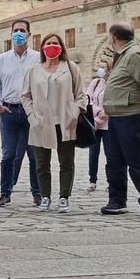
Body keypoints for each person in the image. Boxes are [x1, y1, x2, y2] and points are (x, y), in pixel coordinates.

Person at [20, 33, 87, 213]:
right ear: (42, 48)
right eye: (48, 43)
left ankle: (64, 196)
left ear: (61, 47)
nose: (52, 46)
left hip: (65, 121)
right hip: (41, 122)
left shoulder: (71, 68)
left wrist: (75, 112)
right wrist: (31, 116)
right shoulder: (34, 70)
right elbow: (25, 96)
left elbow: (81, 95)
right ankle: (45, 196)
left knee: (66, 161)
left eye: (55, 43)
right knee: (41, 162)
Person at [100, 22, 140, 218]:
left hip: (132, 115)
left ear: (113, 38)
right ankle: (117, 201)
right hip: (115, 116)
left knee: (136, 160)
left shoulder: (134, 54)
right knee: (114, 162)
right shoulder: (122, 55)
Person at [0, 19, 41, 207]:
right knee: (8, 155)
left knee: (34, 155)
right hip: (9, 110)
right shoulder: (1, 60)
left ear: (29, 34)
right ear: (11, 34)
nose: (18, 34)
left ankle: (38, 193)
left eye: (22, 30)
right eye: (15, 30)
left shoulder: (38, 58)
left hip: (31, 111)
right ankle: (5, 193)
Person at [85, 59, 110, 192]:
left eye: (103, 67)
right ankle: (92, 180)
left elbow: (116, 100)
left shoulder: (113, 83)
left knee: (110, 154)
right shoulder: (95, 83)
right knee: (93, 153)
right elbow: (87, 99)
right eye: (99, 66)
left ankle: (111, 181)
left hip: (109, 125)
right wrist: (98, 111)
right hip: (95, 122)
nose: (100, 69)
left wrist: (108, 112)